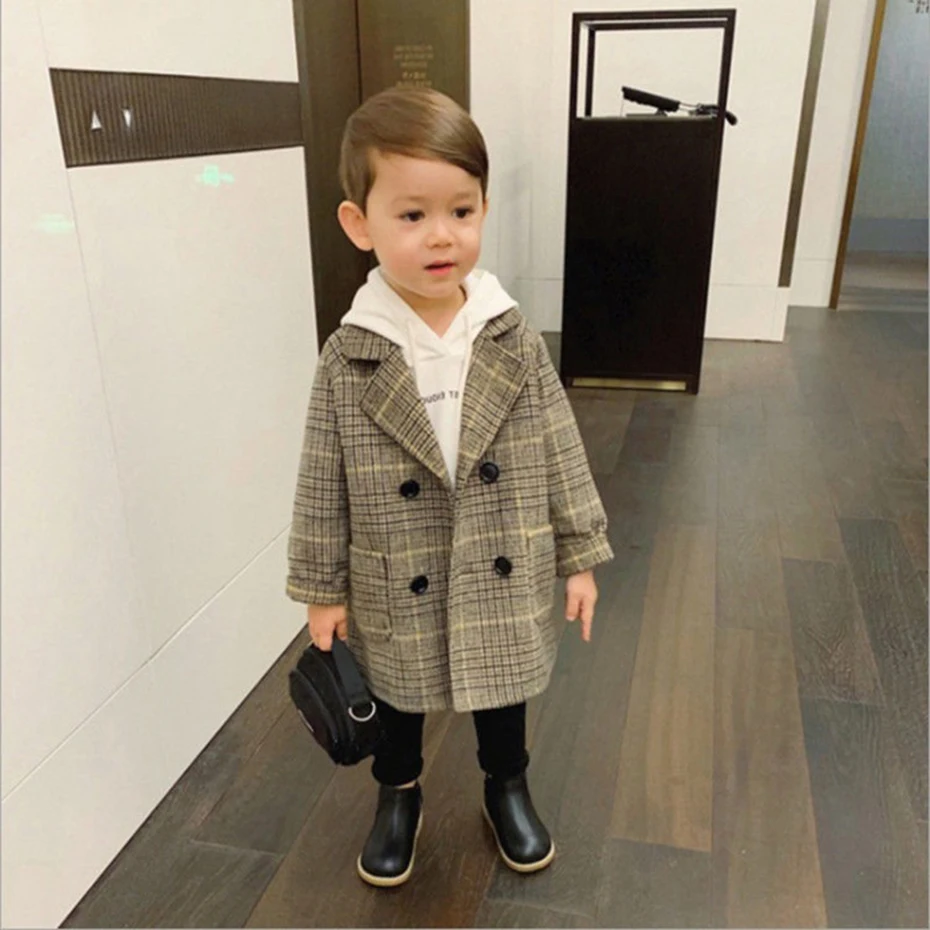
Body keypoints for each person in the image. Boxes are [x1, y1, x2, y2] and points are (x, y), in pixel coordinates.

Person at [286, 86, 613, 888]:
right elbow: (320, 481)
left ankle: (507, 785)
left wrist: (579, 554)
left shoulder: (512, 336)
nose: (443, 235)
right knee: (398, 695)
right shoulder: (350, 355)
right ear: (359, 223)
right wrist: (322, 590)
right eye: (412, 215)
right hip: (398, 566)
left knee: (503, 688)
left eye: (461, 211)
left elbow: (560, 446)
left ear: (484, 210)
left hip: (502, 555)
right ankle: (398, 794)